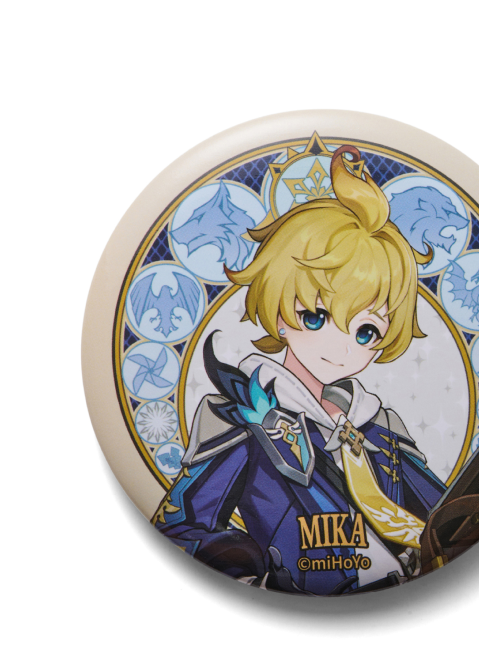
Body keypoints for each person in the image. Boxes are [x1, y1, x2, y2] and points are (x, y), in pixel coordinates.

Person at [165, 159, 441, 589]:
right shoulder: (240, 420)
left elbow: (447, 515)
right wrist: (258, 580)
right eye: (316, 316)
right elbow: (182, 528)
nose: (343, 347)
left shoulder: (380, 427)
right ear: (279, 312)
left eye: (366, 332)